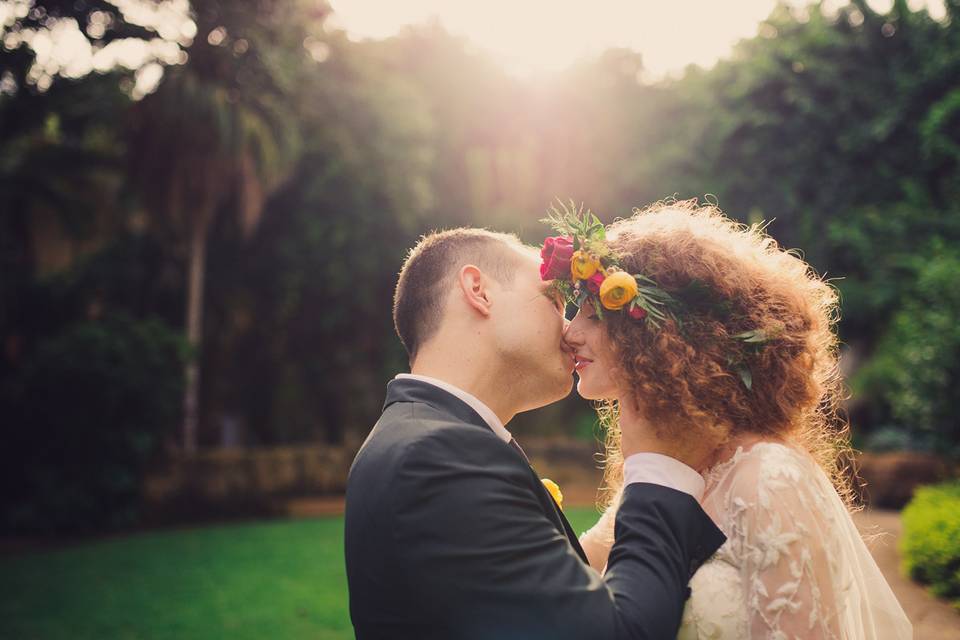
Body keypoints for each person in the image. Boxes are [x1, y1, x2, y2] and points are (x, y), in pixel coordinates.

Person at [344, 227, 726, 639]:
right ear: (479, 290)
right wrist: (658, 465)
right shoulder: (435, 457)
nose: (569, 330)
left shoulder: (426, 440)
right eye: (556, 301)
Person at [559, 200, 913, 639]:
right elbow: (571, 583)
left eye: (595, 314)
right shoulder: (671, 466)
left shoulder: (767, 477)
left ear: (661, 333)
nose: (570, 331)